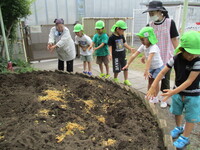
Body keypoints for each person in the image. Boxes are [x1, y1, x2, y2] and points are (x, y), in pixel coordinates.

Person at [146, 31, 200, 149]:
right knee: (177, 111)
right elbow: (162, 72)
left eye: (195, 53)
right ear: (182, 49)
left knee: (191, 117)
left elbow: (189, 81)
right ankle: (178, 127)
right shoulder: (176, 58)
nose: (192, 56)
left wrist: (172, 92)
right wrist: (153, 86)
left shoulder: (198, 62)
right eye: (190, 53)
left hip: (192, 94)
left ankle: (185, 137)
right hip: (177, 91)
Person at [143, 1, 179, 108]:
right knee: (152, 79)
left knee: (165, 81)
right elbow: (146, 42)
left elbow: (174, 40)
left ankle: (164, 99)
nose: (151, 15)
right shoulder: (149, 25)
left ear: (160, 11)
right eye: (150, 13)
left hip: (166, 57)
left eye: (152, 13)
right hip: (154, 58)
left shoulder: (170, 23)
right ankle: (152, 96)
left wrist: (179, 53)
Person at [123, 27, 163, 103]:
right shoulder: (143, 46)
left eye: (143, 39)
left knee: (155, 82)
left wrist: (146, 70)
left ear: (149, 38)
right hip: (151, 67)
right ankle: (149, 94)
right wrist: (127, 64)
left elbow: (150, 58)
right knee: (150, 81)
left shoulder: (154, 47)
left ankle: (155, 97)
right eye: (140, 39)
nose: (141, 42)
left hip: (158, 67)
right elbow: (134, 55)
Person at [108, 20, 135, 86]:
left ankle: (126, 80)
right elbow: (110, 46)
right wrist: (110, 54)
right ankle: (115, 78)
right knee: (116, 68)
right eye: (122, 30)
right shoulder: (112, 37)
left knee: (125, 67)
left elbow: (124, 43)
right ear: (117, 29)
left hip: (123, 55)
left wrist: (130, 48)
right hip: (116, 56)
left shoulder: (121, 36)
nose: (123, 32)